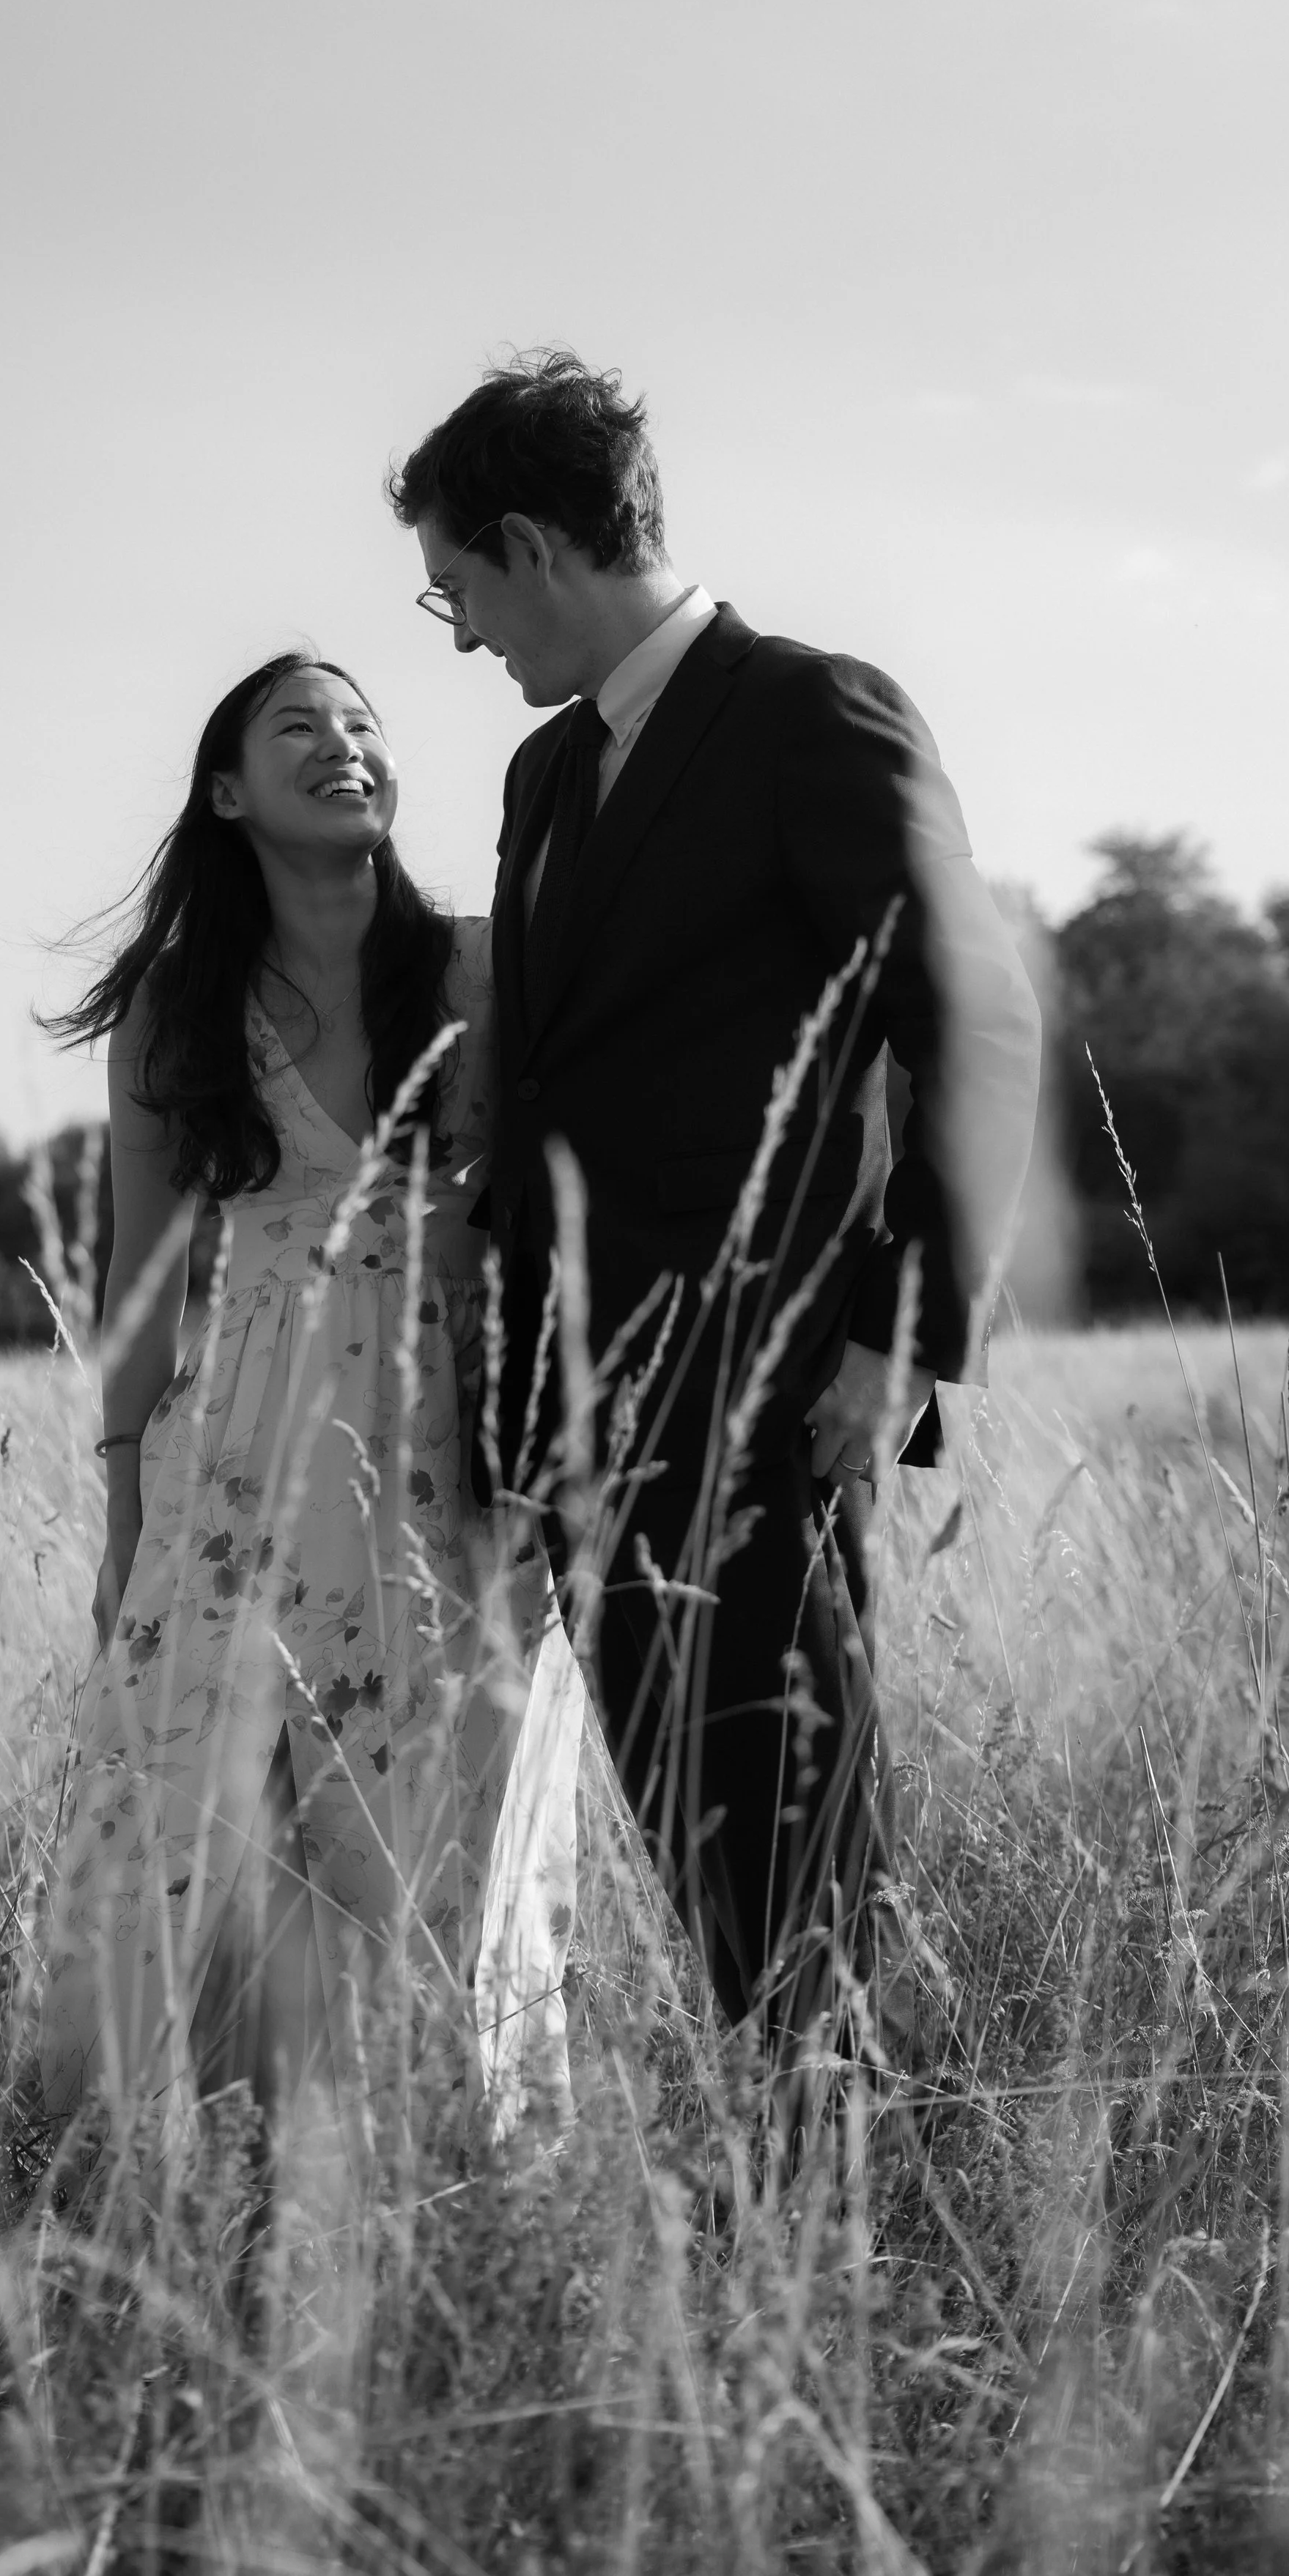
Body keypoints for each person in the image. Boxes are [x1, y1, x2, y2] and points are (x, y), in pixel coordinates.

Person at [389, 351, 1043, 2051]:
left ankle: (853, 2191)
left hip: (764, 1403)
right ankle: (781, 2180)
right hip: (571, 1421)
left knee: (794, 1871)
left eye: (455, 587)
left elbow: (973, 1023)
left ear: (533, 546)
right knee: (704, 1883)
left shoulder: (810, 713)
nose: (457, 635)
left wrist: (899, 1341)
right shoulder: (544, 777)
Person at [37, 654, 578, 2146]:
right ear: (226, 792)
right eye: (300, 727)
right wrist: (123, 1512)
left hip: (454, 1431)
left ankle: (452, 2169)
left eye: (362, 725)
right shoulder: (176, 1007)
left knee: (449, 1815)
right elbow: (141, 1276)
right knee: (193, 1814)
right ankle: (197, 2160)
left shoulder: (483, 967)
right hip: (244, 1450)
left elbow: (562, 1188)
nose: (344, 745)